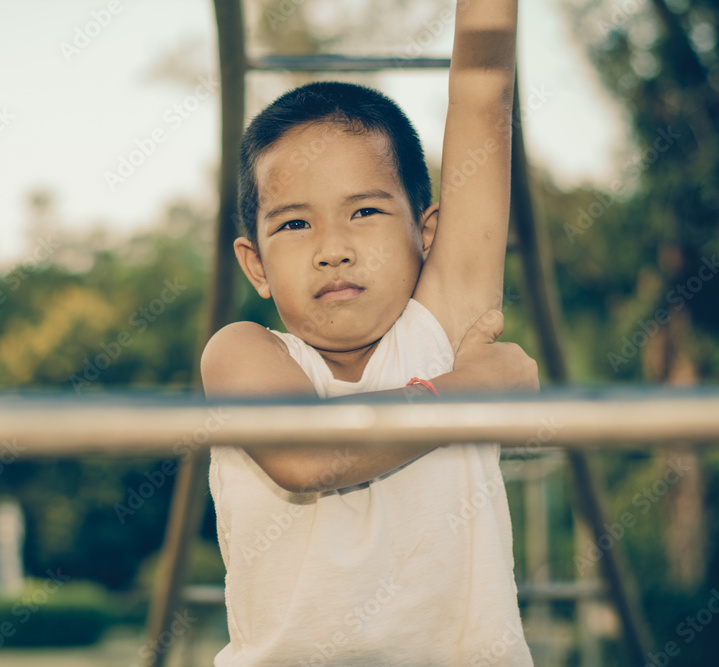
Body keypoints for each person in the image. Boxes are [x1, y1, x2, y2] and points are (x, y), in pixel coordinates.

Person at [201, 1, 538, 664]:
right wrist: (461, 393)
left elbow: (482, 91)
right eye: (295, 225)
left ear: (426, 232)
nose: (332, 248)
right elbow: (308, 459)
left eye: (364, 210)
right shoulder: (243, 352)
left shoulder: (438, 330)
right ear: (255, 264)